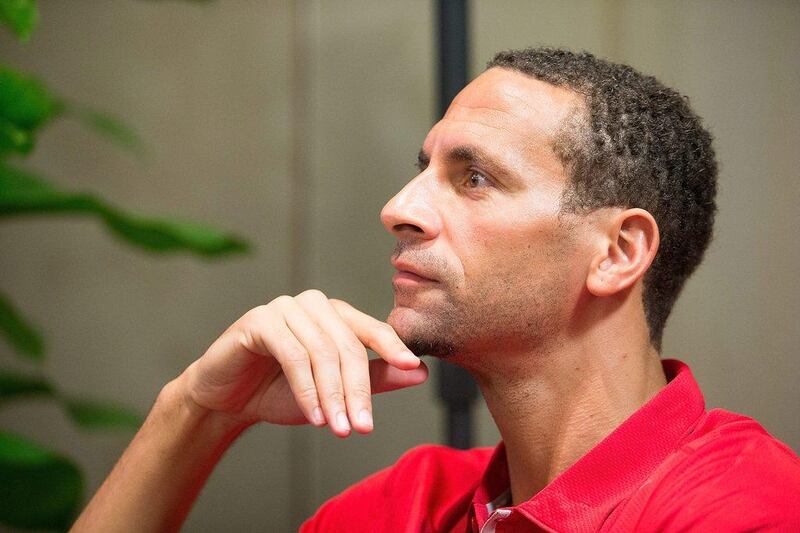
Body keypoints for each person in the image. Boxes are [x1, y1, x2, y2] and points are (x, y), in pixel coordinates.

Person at [71, 47, 800, 532]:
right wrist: (197, 411)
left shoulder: (742, 507)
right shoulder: (409, 504)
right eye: (424, 167)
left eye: (473, 177)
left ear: (617, 251)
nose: (399, 207)